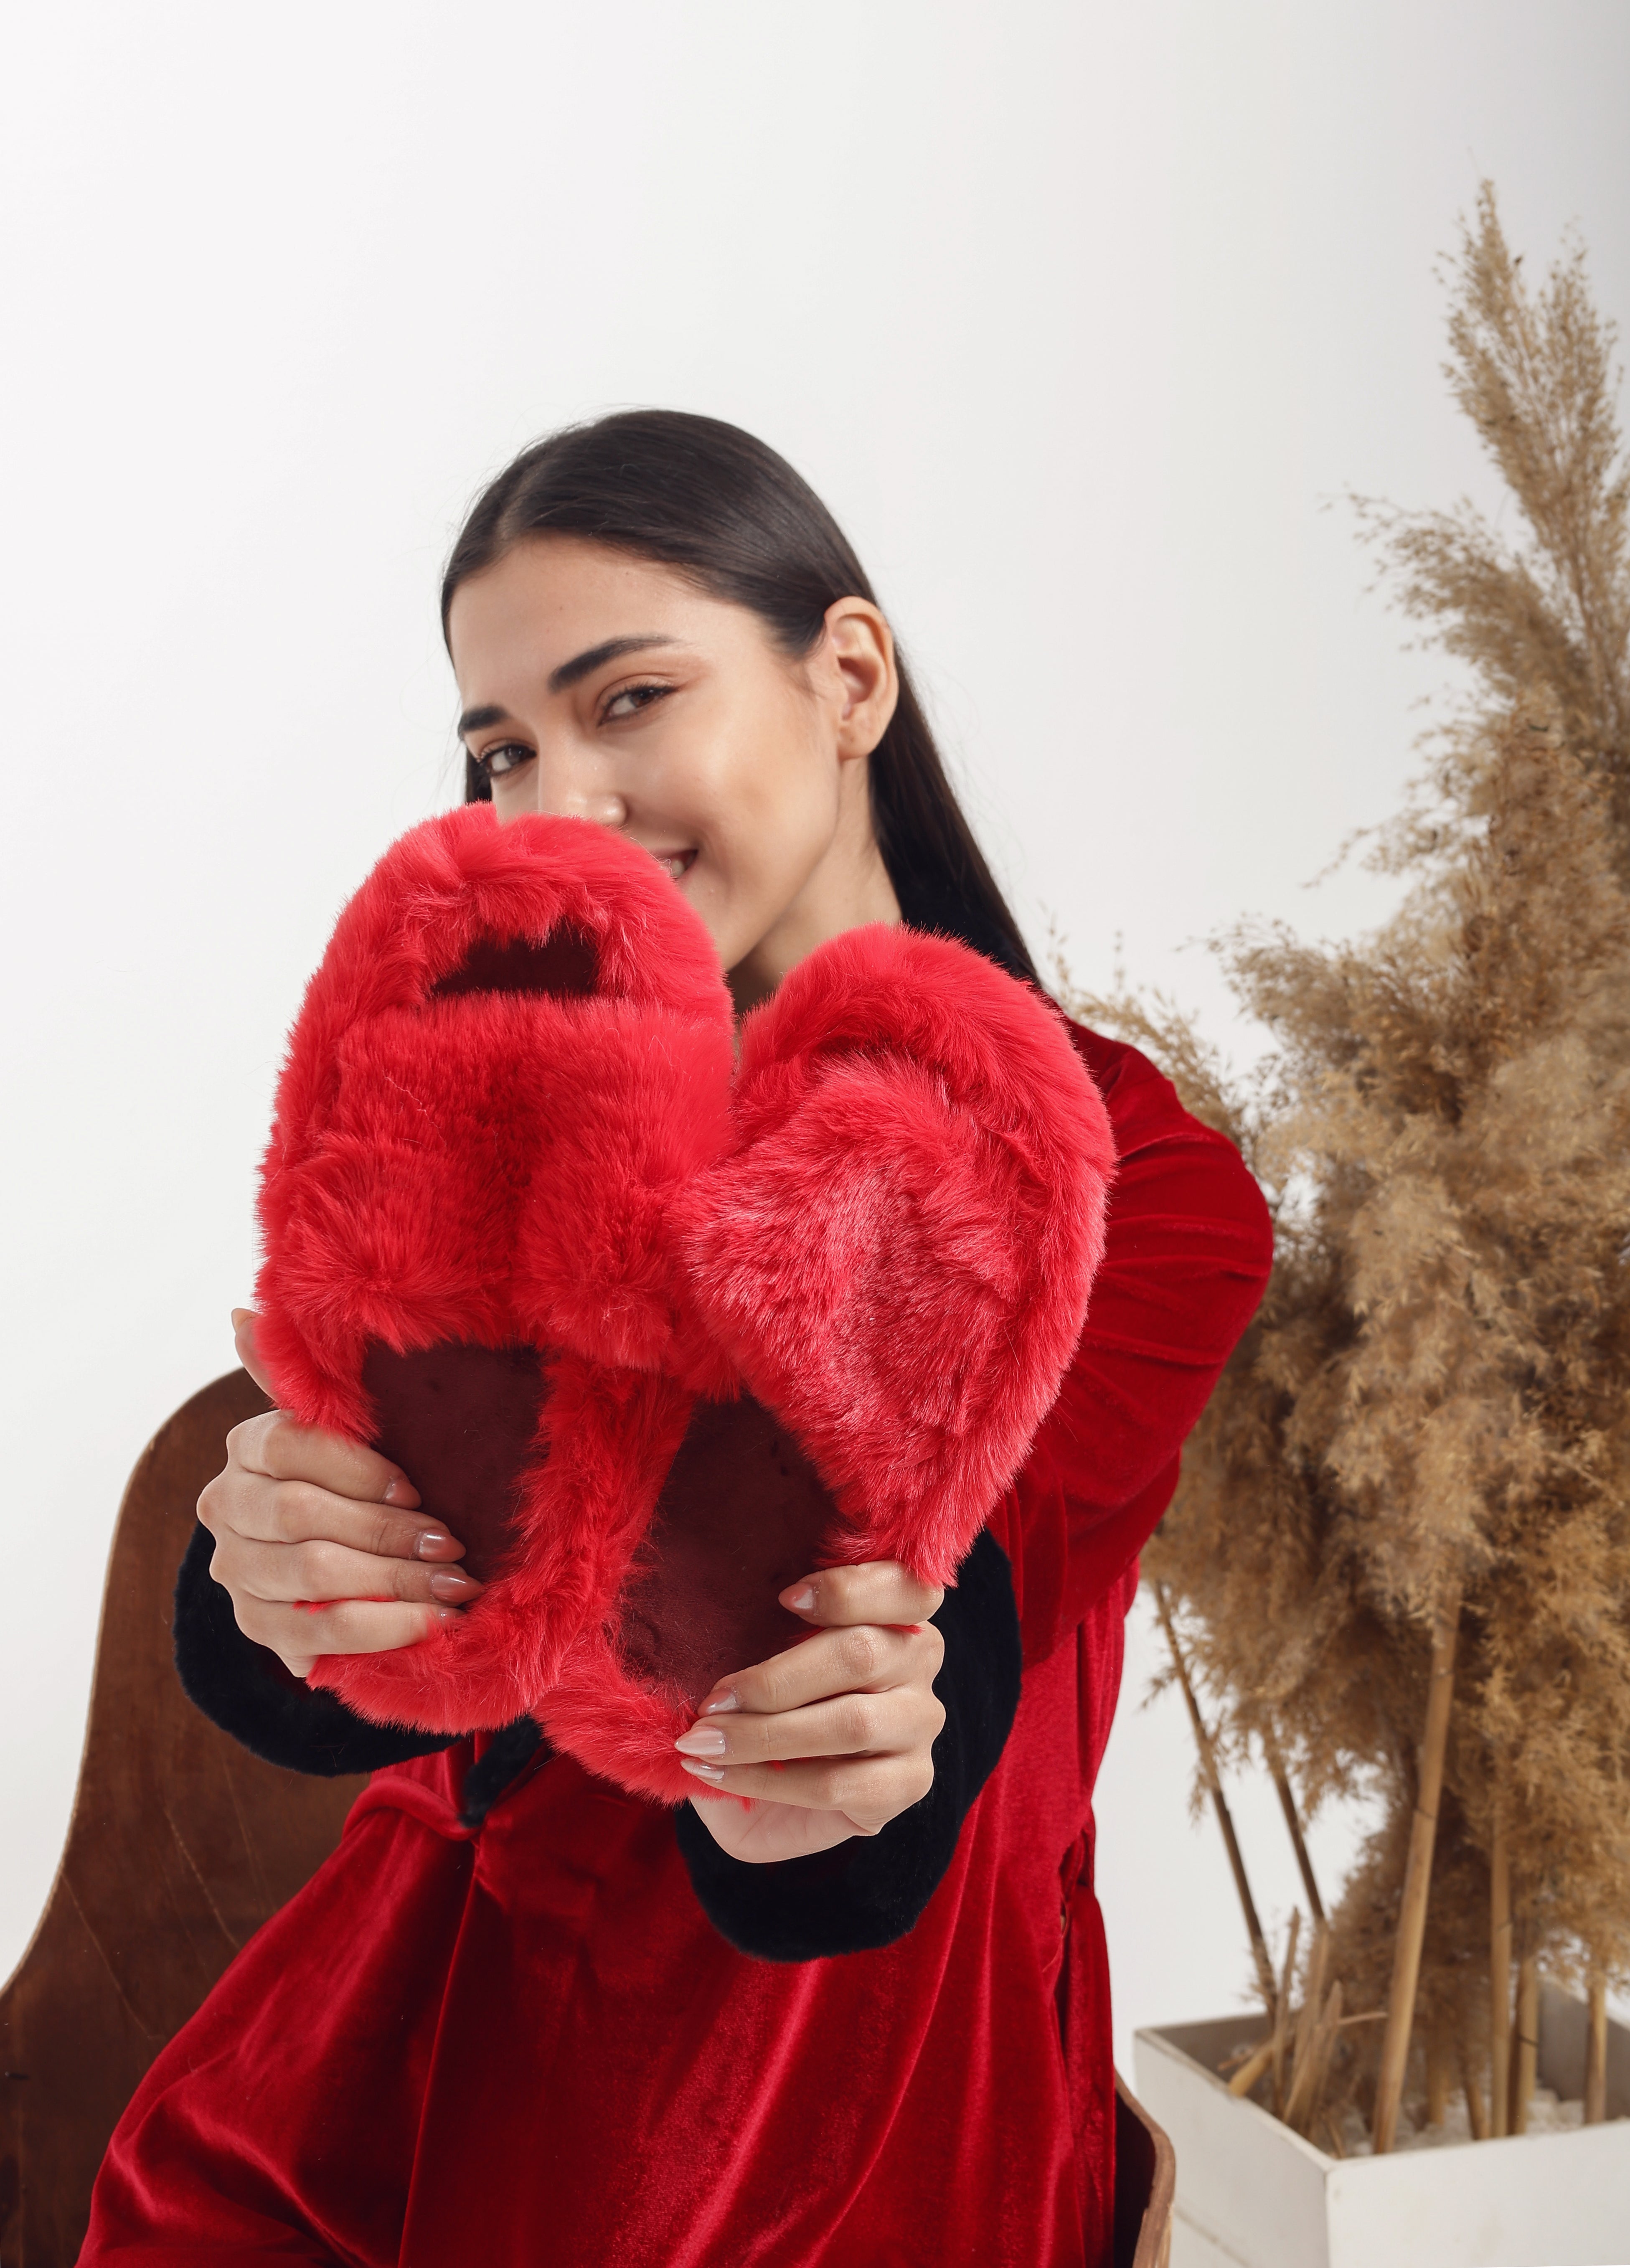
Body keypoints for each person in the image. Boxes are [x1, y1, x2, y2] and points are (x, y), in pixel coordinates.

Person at [83, 411, 1273, 2267]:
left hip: (835, 2120)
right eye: (502, 750)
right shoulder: (511, 1082)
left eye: (628, 699)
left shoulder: (1129, 1179)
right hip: (384, 2067)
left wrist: (850, 1751)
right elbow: (424, 1583)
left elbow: (937, 1606)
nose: (554, 811)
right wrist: (277, 1581)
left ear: (848, 676)